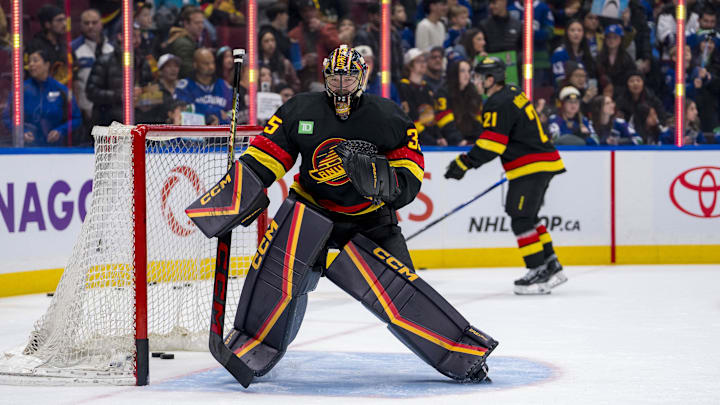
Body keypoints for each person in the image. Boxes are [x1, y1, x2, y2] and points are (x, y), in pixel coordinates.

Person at [226, 44, 497, 386]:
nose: (341, 84)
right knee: (277, 283)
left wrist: (388, 186)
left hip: (371, 219)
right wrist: (238, 190)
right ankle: (251, 347)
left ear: (363, 76)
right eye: (335, 77)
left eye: (348, 76)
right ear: (325, 77)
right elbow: (267, 156)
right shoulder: (299, 109)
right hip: (309, 214)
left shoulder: (388, 115)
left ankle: (460, 355)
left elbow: (410, 176)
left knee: (404, 294)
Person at [444, 56, 567, 295]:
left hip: (530, 166)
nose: (476, 81)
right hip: (541, 162)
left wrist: (464, 163)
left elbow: (492, 145)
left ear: (491, 79)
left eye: (480, 77)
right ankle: (550, 263)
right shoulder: (513, 92)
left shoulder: (497, 102)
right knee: (528, 216)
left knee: (520, 216)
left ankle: (538, 269)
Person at [2, 49, 81, 146]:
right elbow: (6, 117)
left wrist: (60, 131)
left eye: (35, 61)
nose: (31, 65)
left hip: (56, 150)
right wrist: (21, 132)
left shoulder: (61, 90)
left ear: (47, 65)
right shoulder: (21, 91)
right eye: (29, 62)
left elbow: (76, 118)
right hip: (27, 149)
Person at [397, 48, 463, 146]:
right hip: (414, 141)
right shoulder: (404, 87)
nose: (423, 63)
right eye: (419, 61)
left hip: (429, 138)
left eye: (424, 60)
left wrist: (439, 137)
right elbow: (411, 119)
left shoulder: (426, 87)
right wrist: (431, 141)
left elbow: (432, 117)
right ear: (409, 65)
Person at [72, 9, 114, 135]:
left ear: (101, 23)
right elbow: (73, 83)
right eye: (86, 23)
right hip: (85, 112)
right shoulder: (73, 49)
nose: (90, 26)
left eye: (94, 22)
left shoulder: (112, 48)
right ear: (81, 25)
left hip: (111, 110)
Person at [176, 48, 233, 125]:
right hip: (194, 135)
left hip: (220, 135)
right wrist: (213, 115)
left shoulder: (224, 86)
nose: (211, 67)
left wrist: (221, 122)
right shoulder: (184, 86)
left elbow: (233, 113)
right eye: (206, 64)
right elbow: (183, 111)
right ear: (195, 65)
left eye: (213, 63)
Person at [26, 5, 68, 85]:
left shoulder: (65, 46)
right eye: (59, 20)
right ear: (47, 24)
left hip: (63, 93)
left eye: (64, 20)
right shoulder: (35, 46)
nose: (64, 24)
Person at [446, 59, 483, 144]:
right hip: (450, 143)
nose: (467, 75)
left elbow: (478, 123)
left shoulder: (474, 94)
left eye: (469, 71)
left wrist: (479, 141)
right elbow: (447, 125)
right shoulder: (444, 93)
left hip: (470, 141)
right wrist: (459, 141)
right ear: (455, 73)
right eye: (462, 71)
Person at [551, 19, 596, 87]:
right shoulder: (559, 53)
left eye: (579, 30)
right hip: (566, 92)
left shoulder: (586, 53)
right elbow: (559, 80)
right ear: (567, 33)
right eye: (572, 30)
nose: (576, 33)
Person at [164, 6, 205, 79]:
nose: (201, 26)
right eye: (197, 23)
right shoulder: (183, 43)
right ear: (186, 24)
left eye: (202, 22)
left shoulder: (190, 40)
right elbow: (187, 72)